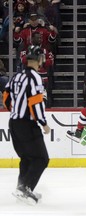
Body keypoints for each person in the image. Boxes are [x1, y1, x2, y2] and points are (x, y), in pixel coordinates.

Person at [2, 45, 50, 205]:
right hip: (27, 123)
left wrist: (14, 111)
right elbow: (35, 103)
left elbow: (6, 96)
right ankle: (25, 189)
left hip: (14, 122)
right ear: (40, 59)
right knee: (42, 158)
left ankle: (21, 188)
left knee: (27, 158)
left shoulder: (17, 76)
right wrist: (43, 123)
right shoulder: (35, 77)